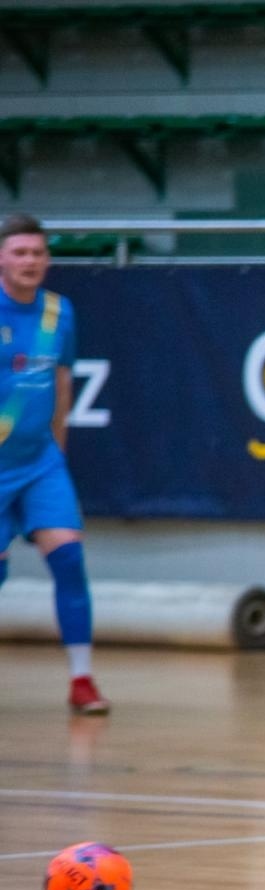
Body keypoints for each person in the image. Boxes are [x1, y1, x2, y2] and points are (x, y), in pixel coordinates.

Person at [0, 213, 110, 714]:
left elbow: (62, 386)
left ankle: (82, 681)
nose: (30, 262)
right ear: (2, 258)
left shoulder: (59, 313)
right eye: (20, 253)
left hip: (41, 463)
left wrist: (57, 455)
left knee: (69, 559)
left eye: (38, 253)